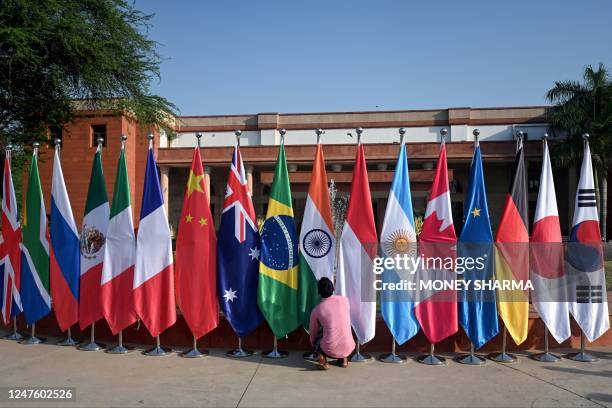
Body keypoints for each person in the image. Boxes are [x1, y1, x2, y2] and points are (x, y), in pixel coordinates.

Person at [308, 277, 356, 370]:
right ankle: (344, 360)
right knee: (338, 328)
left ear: (318, 292)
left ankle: (322, 359)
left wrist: (313, 344)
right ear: (333, 288)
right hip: (349, 347)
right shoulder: (345, 300)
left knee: (319, 334)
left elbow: (313, 332)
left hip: (329, 349)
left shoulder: (317, 310)